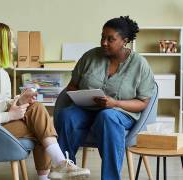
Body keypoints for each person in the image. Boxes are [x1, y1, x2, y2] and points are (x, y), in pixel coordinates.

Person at [0, 22, 90, 180]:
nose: (13, 46)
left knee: (37, 112)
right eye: (10, 41)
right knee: (41, 128)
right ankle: (59, 165)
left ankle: (58, 166)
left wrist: (19, 101)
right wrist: (10, 116)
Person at [55, 16, 155, 180]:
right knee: (67, 115)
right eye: (102, 37)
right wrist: (79, 97)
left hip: (120, 112)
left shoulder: (139, 64)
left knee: (107, 116)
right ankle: (67, 170)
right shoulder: (90, 56)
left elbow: (143, 102)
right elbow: (72, 85)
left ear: (125, 41)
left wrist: (115, 103)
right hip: (86, 108)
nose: (104, 42)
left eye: (111, 39)